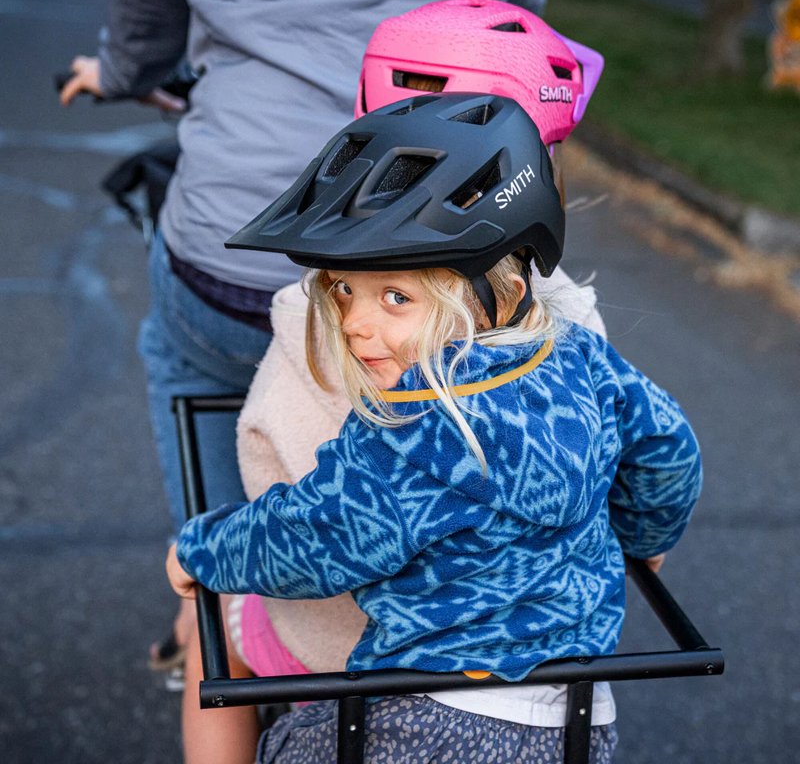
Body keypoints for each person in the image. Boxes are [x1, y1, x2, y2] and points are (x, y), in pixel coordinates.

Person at [168, 93, 702, 764]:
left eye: (396, 297)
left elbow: (316, 535)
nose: (358, 324)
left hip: (427, 723)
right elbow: (667, 448)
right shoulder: (583, 358)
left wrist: (202, 550)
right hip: (577, 720)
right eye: (342, 290)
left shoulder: (420, 423)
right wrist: (643, 538)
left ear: (499, 290)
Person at [58, 0, 554, 679]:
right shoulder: (579, 360)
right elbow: (513, 30)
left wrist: (119, 69)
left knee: (184, 350)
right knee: (435, 390)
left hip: (236, 250)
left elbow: (145, 27)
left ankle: (211, 587)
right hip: (451, 237)